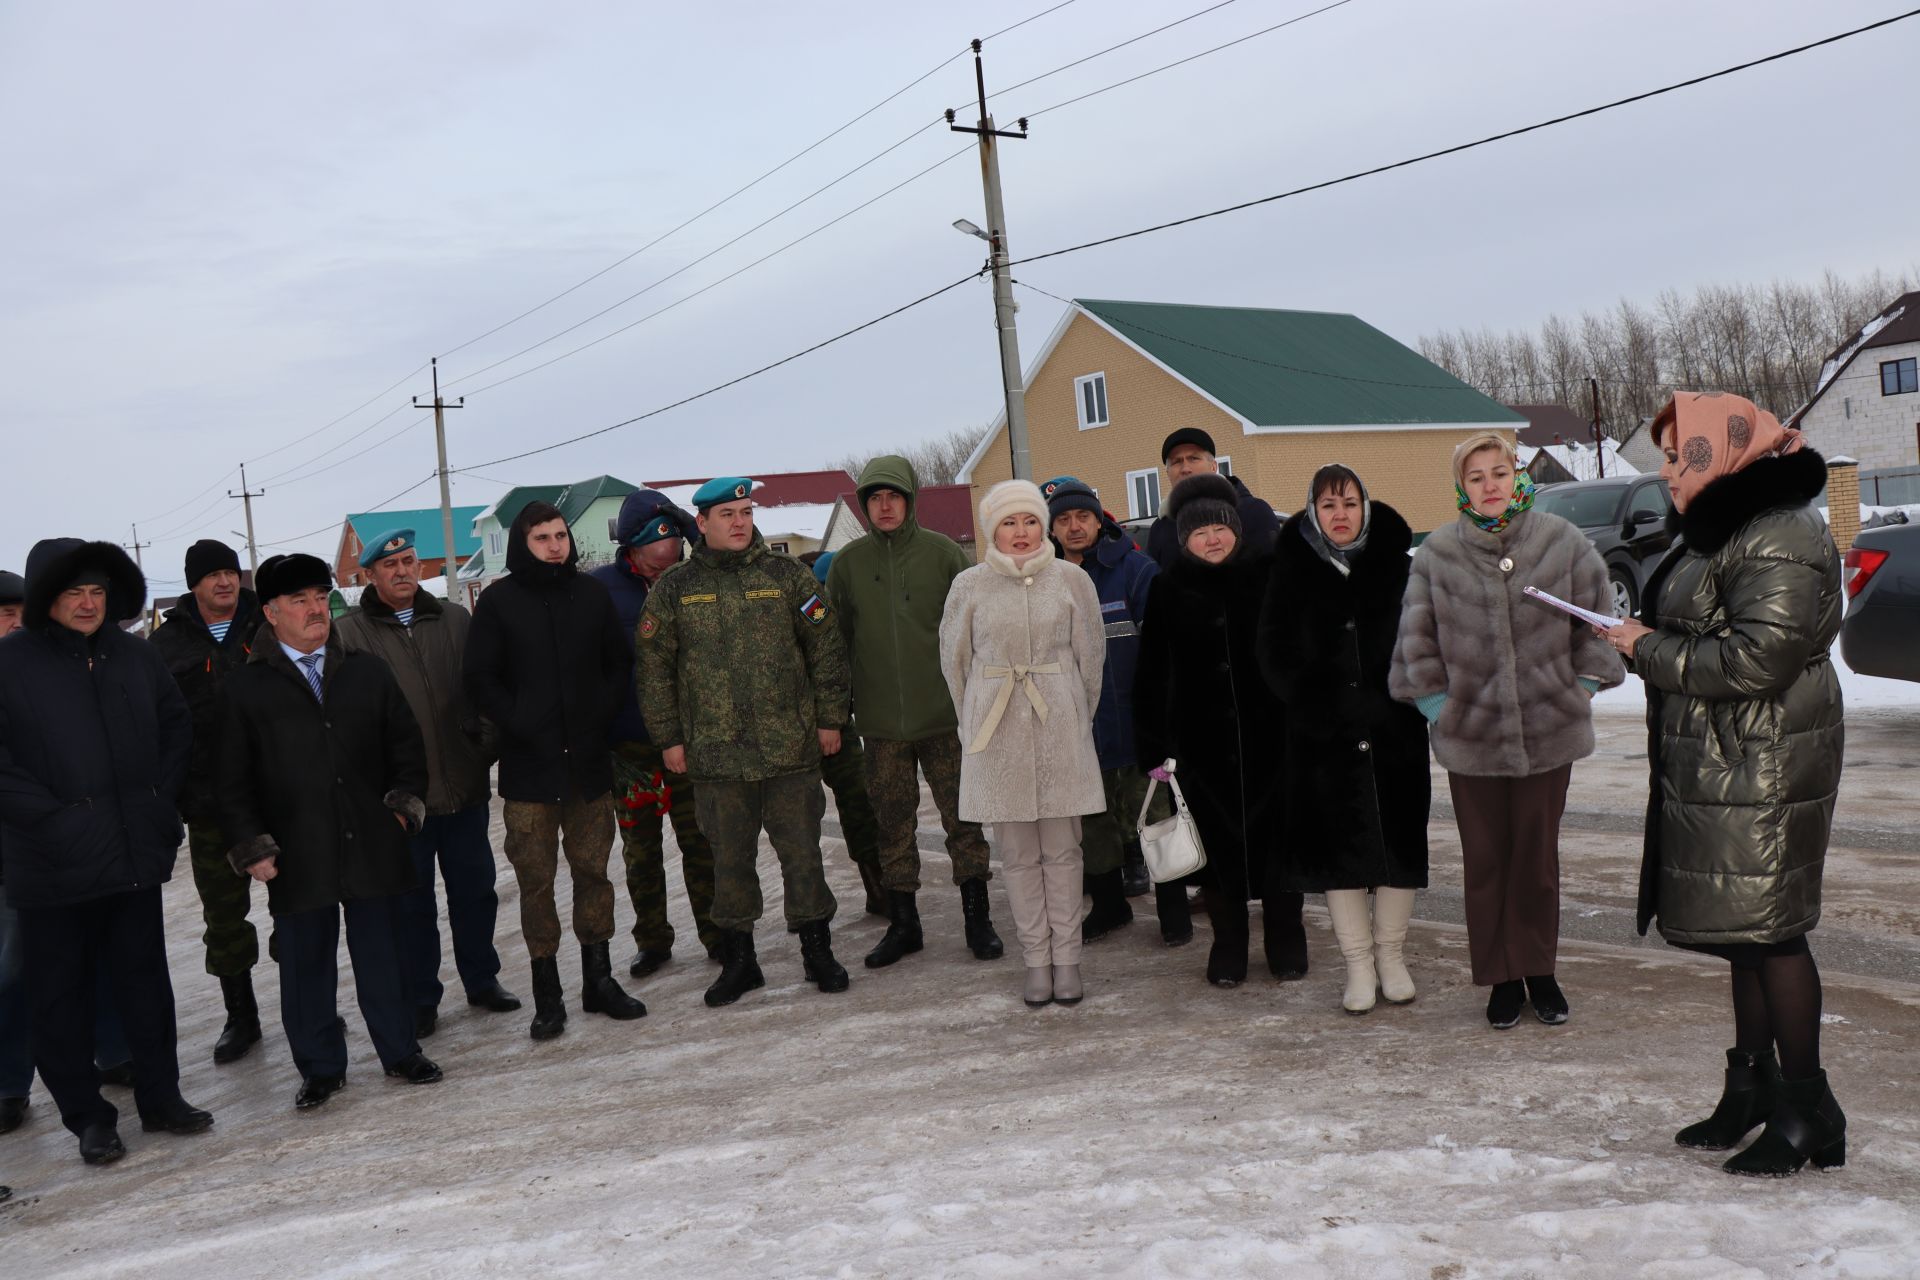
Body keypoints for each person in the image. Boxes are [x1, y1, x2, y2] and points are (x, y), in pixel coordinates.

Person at [1603, 393, 1847, 1177]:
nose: (1667, 472)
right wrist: (1641, 640)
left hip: (1767, 762)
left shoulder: (1782, 531)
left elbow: (1756, 660)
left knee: (1774, 934)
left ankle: (1810, 1108)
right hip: (1732, 758)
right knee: (1747, 935)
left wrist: (1647, 650)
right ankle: (1753, 1086)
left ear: (1727, 452)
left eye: (1681, 456)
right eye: (1668, 457)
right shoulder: (1726, 527)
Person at [1389, 431, 1624, 1029]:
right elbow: (1416, 643)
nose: (1490, 485)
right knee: (1487, 860)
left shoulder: (1561, 542)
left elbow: (1599, 623)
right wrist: (1441, 708)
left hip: (1549, 734)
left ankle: (1540, 972)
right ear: (1461, 487)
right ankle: (1500, 978)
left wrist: (1582, 691)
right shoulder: (1438, 554)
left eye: (1499, 472)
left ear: (1517, 477)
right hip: (1472, 741)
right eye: (1476, 477)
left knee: (1537, 860)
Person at [0, 539, 210, 1164]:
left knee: (146, 985)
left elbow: (176, 728)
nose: (88, 604)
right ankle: (89, 1118)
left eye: (97, 592)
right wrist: (55, 820)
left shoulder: (133, 655)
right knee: (58, 999)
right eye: (73, 592)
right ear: (45, 600)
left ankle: (162, 1097)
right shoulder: (10, 663)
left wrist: (157, 801)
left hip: (130, 857)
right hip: (51, 864)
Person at [218, 553, 443, 1110]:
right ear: (271, 613)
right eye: (300, 601)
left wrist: (399, 809)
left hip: (372, 839)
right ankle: (320, 1068)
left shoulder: (365, 669)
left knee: (383, 954)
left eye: (320, 597)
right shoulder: (246, 690)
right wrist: (253, 847)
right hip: (296, 849)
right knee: (304, 963)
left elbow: (406, 748)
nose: (316, 609)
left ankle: (400, 1050)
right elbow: (229, 780)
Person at [636, 477, 854, 1007]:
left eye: (746, 512)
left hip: (789, 751)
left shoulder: (786, 578)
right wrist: (668, 737)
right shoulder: (676, 587)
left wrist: (831, 720)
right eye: (727, 514)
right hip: (715, 757)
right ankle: (740, 962)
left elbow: (826, 648)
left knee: (802, 856)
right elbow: (653, 667)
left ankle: (817, 951)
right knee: (728, 864)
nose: (739, 522)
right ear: (703, 523)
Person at [464, 501, 647, 1038]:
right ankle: (549, 996)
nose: (554, 545)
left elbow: (618, 662)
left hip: (589, 767)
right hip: (529, 773)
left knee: (594, 874)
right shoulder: (499, 602)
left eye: (560, 535)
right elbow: (480, 677)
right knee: (536, 884)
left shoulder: (590, 594)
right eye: (542, 537)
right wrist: (519, 720)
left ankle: (600, 982)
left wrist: (600, 712)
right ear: (523, 542)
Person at [335, 528, 519, 1037]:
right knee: (412, 906)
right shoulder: (350, 634)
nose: (402, 572)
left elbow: (484, 685)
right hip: (403, 800)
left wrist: (483, 745)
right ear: (369, 576)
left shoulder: (455, 619)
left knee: (476, 892)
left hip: (463, 785)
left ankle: (483, 980)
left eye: (409, 561)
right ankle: (421, 998)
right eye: (389, 566)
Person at [1260, 465, 1429, 1014]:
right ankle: (1358, 965)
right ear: (1311, 510)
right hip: (1322, 740)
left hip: (1395, 731)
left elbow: (1425, 642)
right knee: (1338, 854)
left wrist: (1396, 698)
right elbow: (1273, 654)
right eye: (1328, 505)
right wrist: (1320, 703)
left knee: (1399, 845)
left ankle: (1391, 957)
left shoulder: (1400, 570)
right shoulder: (1288, 571)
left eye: (1350, 503)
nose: (1340, 515)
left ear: (1366, 507)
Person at [826, 456, 1003, 969]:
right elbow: (833, 644)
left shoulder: (943, 554)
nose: (885, 506)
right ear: (864, 505)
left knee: (963, 820)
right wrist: (837, 714)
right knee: (892, 826)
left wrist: (976, 699)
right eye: (875, 498)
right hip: (880, 726)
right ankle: (904, 924)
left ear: (910, 499)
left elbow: (975, 634)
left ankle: (978, 917)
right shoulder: (848, 564)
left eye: (894, 496)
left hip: (944, 718)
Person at [940, 480, 1105, 1009]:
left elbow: (1091, 660)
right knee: (1016, 856)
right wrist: (974, 722)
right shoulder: (969, 584)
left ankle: (1068, 959)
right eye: (1009, 523)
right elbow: (954, 662)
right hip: (998, 731)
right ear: (992, 529)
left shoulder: (1072, 579)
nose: (1020, 532)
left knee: (1063, 851)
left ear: (1044, 525)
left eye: (1029, 521)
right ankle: (1036, 959)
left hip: (1058, 726)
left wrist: (1073, 715)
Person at [1133, 475, 1302, 987]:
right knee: (1218, 852)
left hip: (1273, 740)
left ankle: (1285, 937)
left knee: (1280, 847)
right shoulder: (1167, 588)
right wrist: (1155, 745)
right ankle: (1229, 943)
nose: (1213, 539)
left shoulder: (1270, 574)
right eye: (1200, 531)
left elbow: (1297, 654)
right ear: (1183, 538)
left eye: (1220, 528)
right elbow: (1152, 673)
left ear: (1237, 530)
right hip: (1201, 750)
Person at [589, 491, 721, 975]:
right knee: (641, 850)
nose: (669, 560)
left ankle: (716, 932)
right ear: (632, 548)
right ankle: (653, 940)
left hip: (690, 739)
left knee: (700, 841)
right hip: (630, 744)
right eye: (657, 552)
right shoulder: (600, 589)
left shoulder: (693, 580)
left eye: (675, 547)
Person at [150, 538, 270, 1063]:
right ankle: (240, 1016)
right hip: (208, 804)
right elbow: (157, 728)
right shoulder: (166, 645)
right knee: (224, 916)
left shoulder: (266, 623)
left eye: (231, 571)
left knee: (299, 906)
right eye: (212, 575)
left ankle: (309, 1004)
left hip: (278, 794)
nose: (224, 582)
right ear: (193, 584)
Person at [1043, 476, 1173, 940]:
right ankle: (1111, 906)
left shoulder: (1135, 572)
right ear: (1052, 528)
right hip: (1075, 729)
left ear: (1099, 521)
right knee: (1092, 825)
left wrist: (1159, 714)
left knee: (1155, 819)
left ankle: (1173, 911)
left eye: (1083, 516)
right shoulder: (1043, 580)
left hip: (1135, 723)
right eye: (1064, 519)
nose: (1075, 526)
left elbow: (1162, 650)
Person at [805, 550, 889, 921]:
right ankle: (805, 904)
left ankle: (877, 889)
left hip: (838, 721)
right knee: (796, 818)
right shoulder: (811, 605)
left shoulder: (857, 608)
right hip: (792, 724)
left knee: (858, 801)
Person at [1144, 429, 1281, 571]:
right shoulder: (1161, 529)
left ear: (1214, 466)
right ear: (1168, 473)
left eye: (1194, 458)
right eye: (1176, 462)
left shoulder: (1254, 512)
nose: (1185, 468)